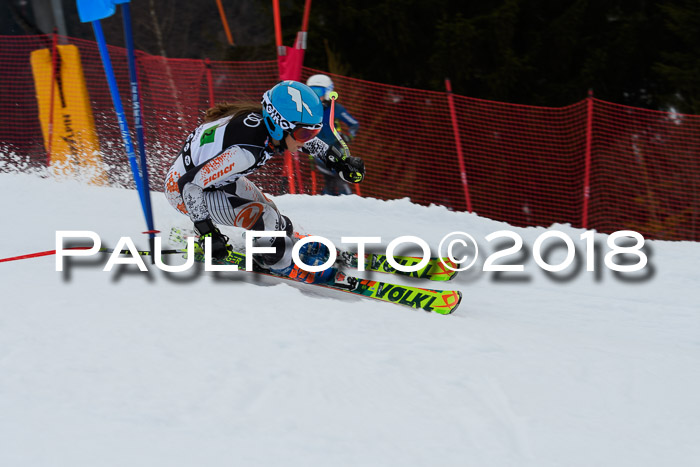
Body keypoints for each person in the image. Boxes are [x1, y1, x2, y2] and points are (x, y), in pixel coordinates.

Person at [164, 80, 365, 284]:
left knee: (271, 211)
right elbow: (188, 185)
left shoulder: (267, 127)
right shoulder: (244, 153)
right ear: (281, 127)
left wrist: (341, 161)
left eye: (312, 132)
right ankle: (281, 263)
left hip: (212, 180)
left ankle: (279, 245)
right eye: (304, 133)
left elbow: (307, 142)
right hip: (184, 192)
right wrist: (208, 232)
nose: (306, 140)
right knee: (264, 217)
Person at [306, 74, 360, 195]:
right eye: (311, 91)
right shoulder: (307, 109)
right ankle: (329, 203)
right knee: (330, 179)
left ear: (328, 91)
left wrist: (349, 136)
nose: (315, 96)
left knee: (340, 177)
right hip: (317, 150)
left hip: (336, 148)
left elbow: (354, 124)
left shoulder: (335, 108)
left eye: (318, 91)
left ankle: (348, 201)